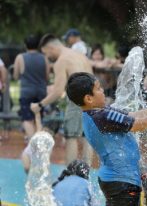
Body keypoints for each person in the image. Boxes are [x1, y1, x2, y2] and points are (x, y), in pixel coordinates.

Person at [65, 72, 147, 205]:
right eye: (98, 88)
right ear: (89, 99)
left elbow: (134, 115)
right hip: (121, 181)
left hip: (117, 180)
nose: (103, 91)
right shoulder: (101, 116)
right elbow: (139, 125)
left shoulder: (97, 114)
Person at [30, 34, 94, 166]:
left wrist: (40, 105)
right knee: (87, 136)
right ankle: (86, 174)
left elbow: (58, 92)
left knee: (71, 136)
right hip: (93, 97)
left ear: (51, 47)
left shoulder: (61, 61)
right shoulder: (80, 56)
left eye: (45, 53)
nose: (47, 57)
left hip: (77, 99)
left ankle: (70, 176)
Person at [13, 35, 50, 172]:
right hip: (41, 93)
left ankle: (32, 148)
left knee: (27, 119)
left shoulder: (20, 57)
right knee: (38, 119)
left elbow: (16, 75)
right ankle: (37, 147)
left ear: (25, 45)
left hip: (26, 92)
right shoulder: (44, 58)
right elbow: (47, 76)